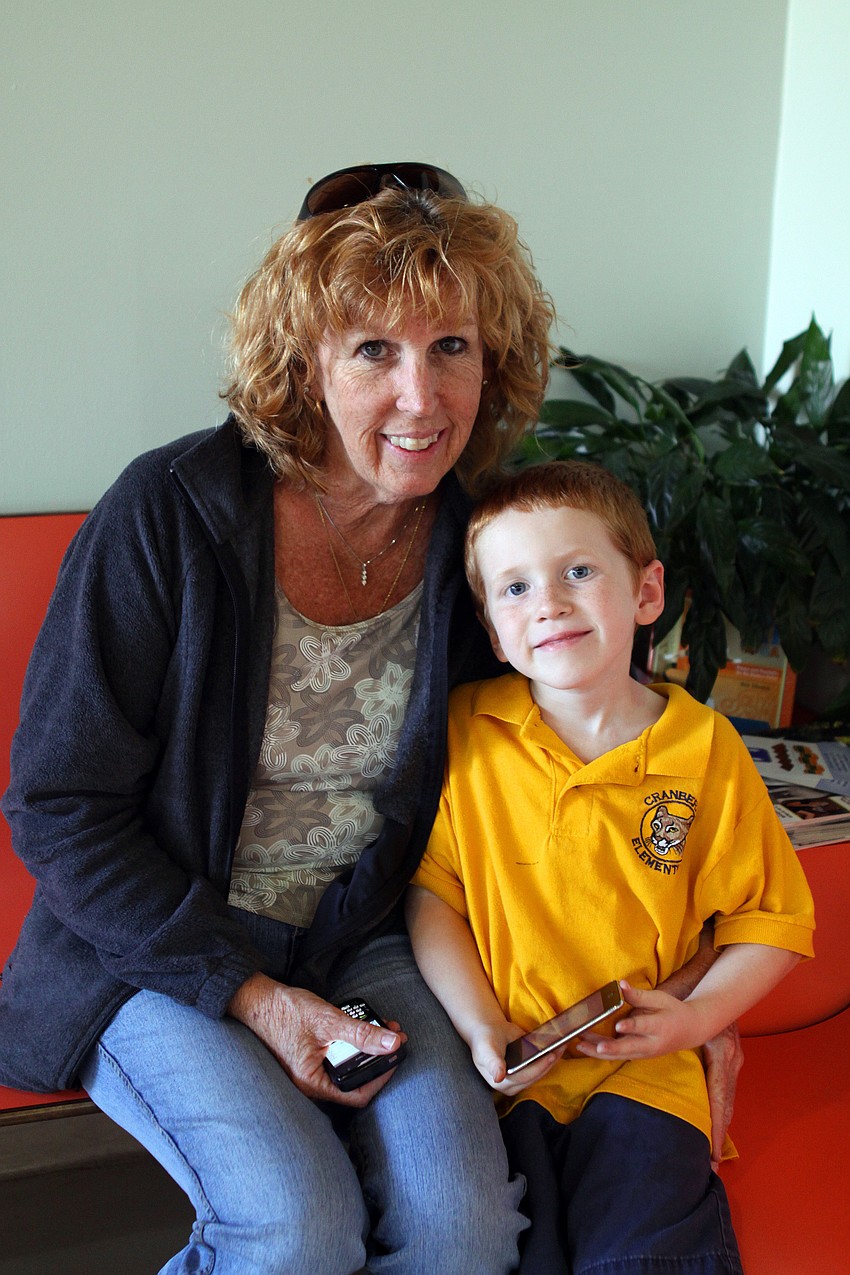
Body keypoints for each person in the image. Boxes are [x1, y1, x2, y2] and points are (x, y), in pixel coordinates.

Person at [0, 163, 735, 1274]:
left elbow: (583, 761)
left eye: (452, 348)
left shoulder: (485, 548)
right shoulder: (168, 514)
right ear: (305, 362)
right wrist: (257, 999)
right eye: (374, 350)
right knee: (296, 1228)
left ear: (494, 361)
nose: (420, 398)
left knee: (466, 1232)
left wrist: (700, 998)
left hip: (369, 933)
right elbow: (59, 806)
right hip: (158, 945)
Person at [406, 460, 815, 1274]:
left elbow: (770, 924)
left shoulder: (706, 751)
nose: (549, 603)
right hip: (516, 1080)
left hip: (647, 1076)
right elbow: (433, 898)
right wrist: (480, 1024)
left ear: (646, 592)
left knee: (644, 1255)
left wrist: (696, 1020)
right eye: (515, 588)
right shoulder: (465, 732)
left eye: (578, 572)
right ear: (493, 632)